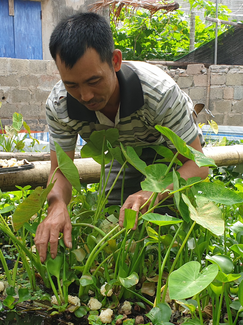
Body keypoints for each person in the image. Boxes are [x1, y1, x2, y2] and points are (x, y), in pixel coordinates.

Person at [34, 12, 209, 262]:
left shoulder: (159, 93)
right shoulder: (60, 104)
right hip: (124, 152)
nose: (85, 96)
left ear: (115, 61)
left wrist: (156, 191)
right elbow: (61, 171)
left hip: (170, 152)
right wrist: (57, 204)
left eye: (94, 81)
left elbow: (198, 166)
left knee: (169, 232)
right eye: (72, 84)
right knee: (114, 226)